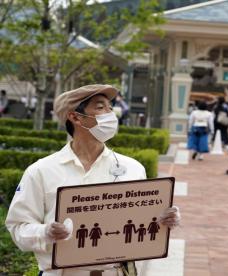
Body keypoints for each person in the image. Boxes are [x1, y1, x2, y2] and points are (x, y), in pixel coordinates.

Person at [5, 84, 180, 275]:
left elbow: (141, 223)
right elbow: (18, 227)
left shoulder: (133, 168)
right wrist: (46, 232)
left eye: (110, 108)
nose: (110, 114)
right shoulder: (41, 171)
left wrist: (163, 220)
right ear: (75, 116)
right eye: (100, 107)